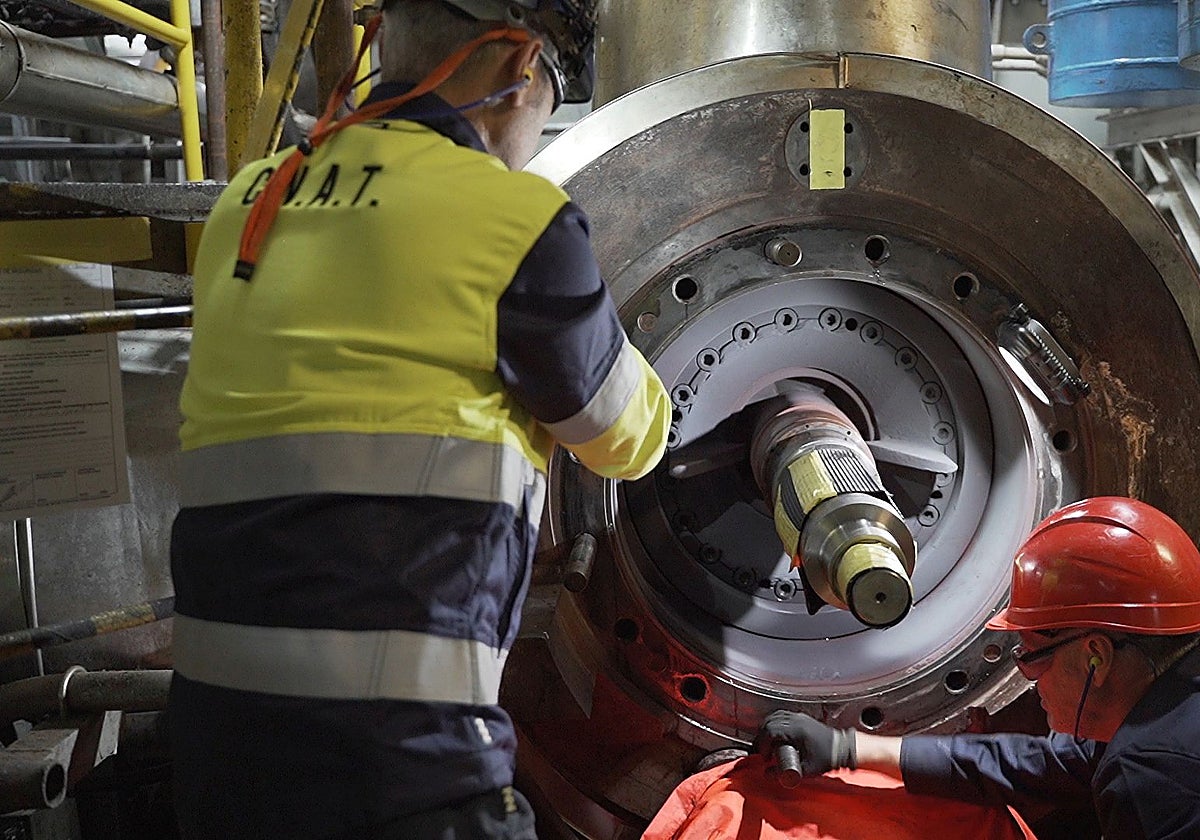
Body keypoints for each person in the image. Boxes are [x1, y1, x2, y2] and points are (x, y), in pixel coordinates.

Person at [167, 0, 671, 837]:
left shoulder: (248, 203)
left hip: (218, 750)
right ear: (519, 71)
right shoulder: (513, 223)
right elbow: (627, 438)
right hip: (401, 762)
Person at [755, 496, 1200, 840]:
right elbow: (1036, 765)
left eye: (1030, 657)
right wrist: (846, 748)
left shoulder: (1150, 774)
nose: (1030, 683)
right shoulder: (1165, 704)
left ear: (1095, 657)